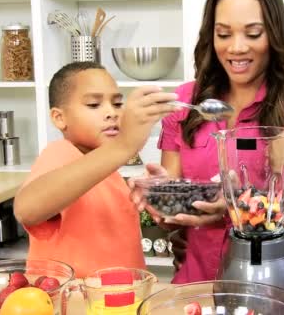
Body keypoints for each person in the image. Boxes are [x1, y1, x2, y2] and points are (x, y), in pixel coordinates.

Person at [144, 0, 284, 286]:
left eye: (253, 34)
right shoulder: (185, 102)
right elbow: (172, 223)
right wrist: (162, 196)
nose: (236, 48)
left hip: (275, 288)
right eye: (223, 34)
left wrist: (235, 209)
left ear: (274, 35)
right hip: (195, 285)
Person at [13, 61, 178, 278]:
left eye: (118, 104)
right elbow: (26, 209)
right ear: (59, 118)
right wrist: (124, 145)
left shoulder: (108, 169)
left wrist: (162, 204)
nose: (112, 113)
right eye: (93, 105)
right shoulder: (61, 153)